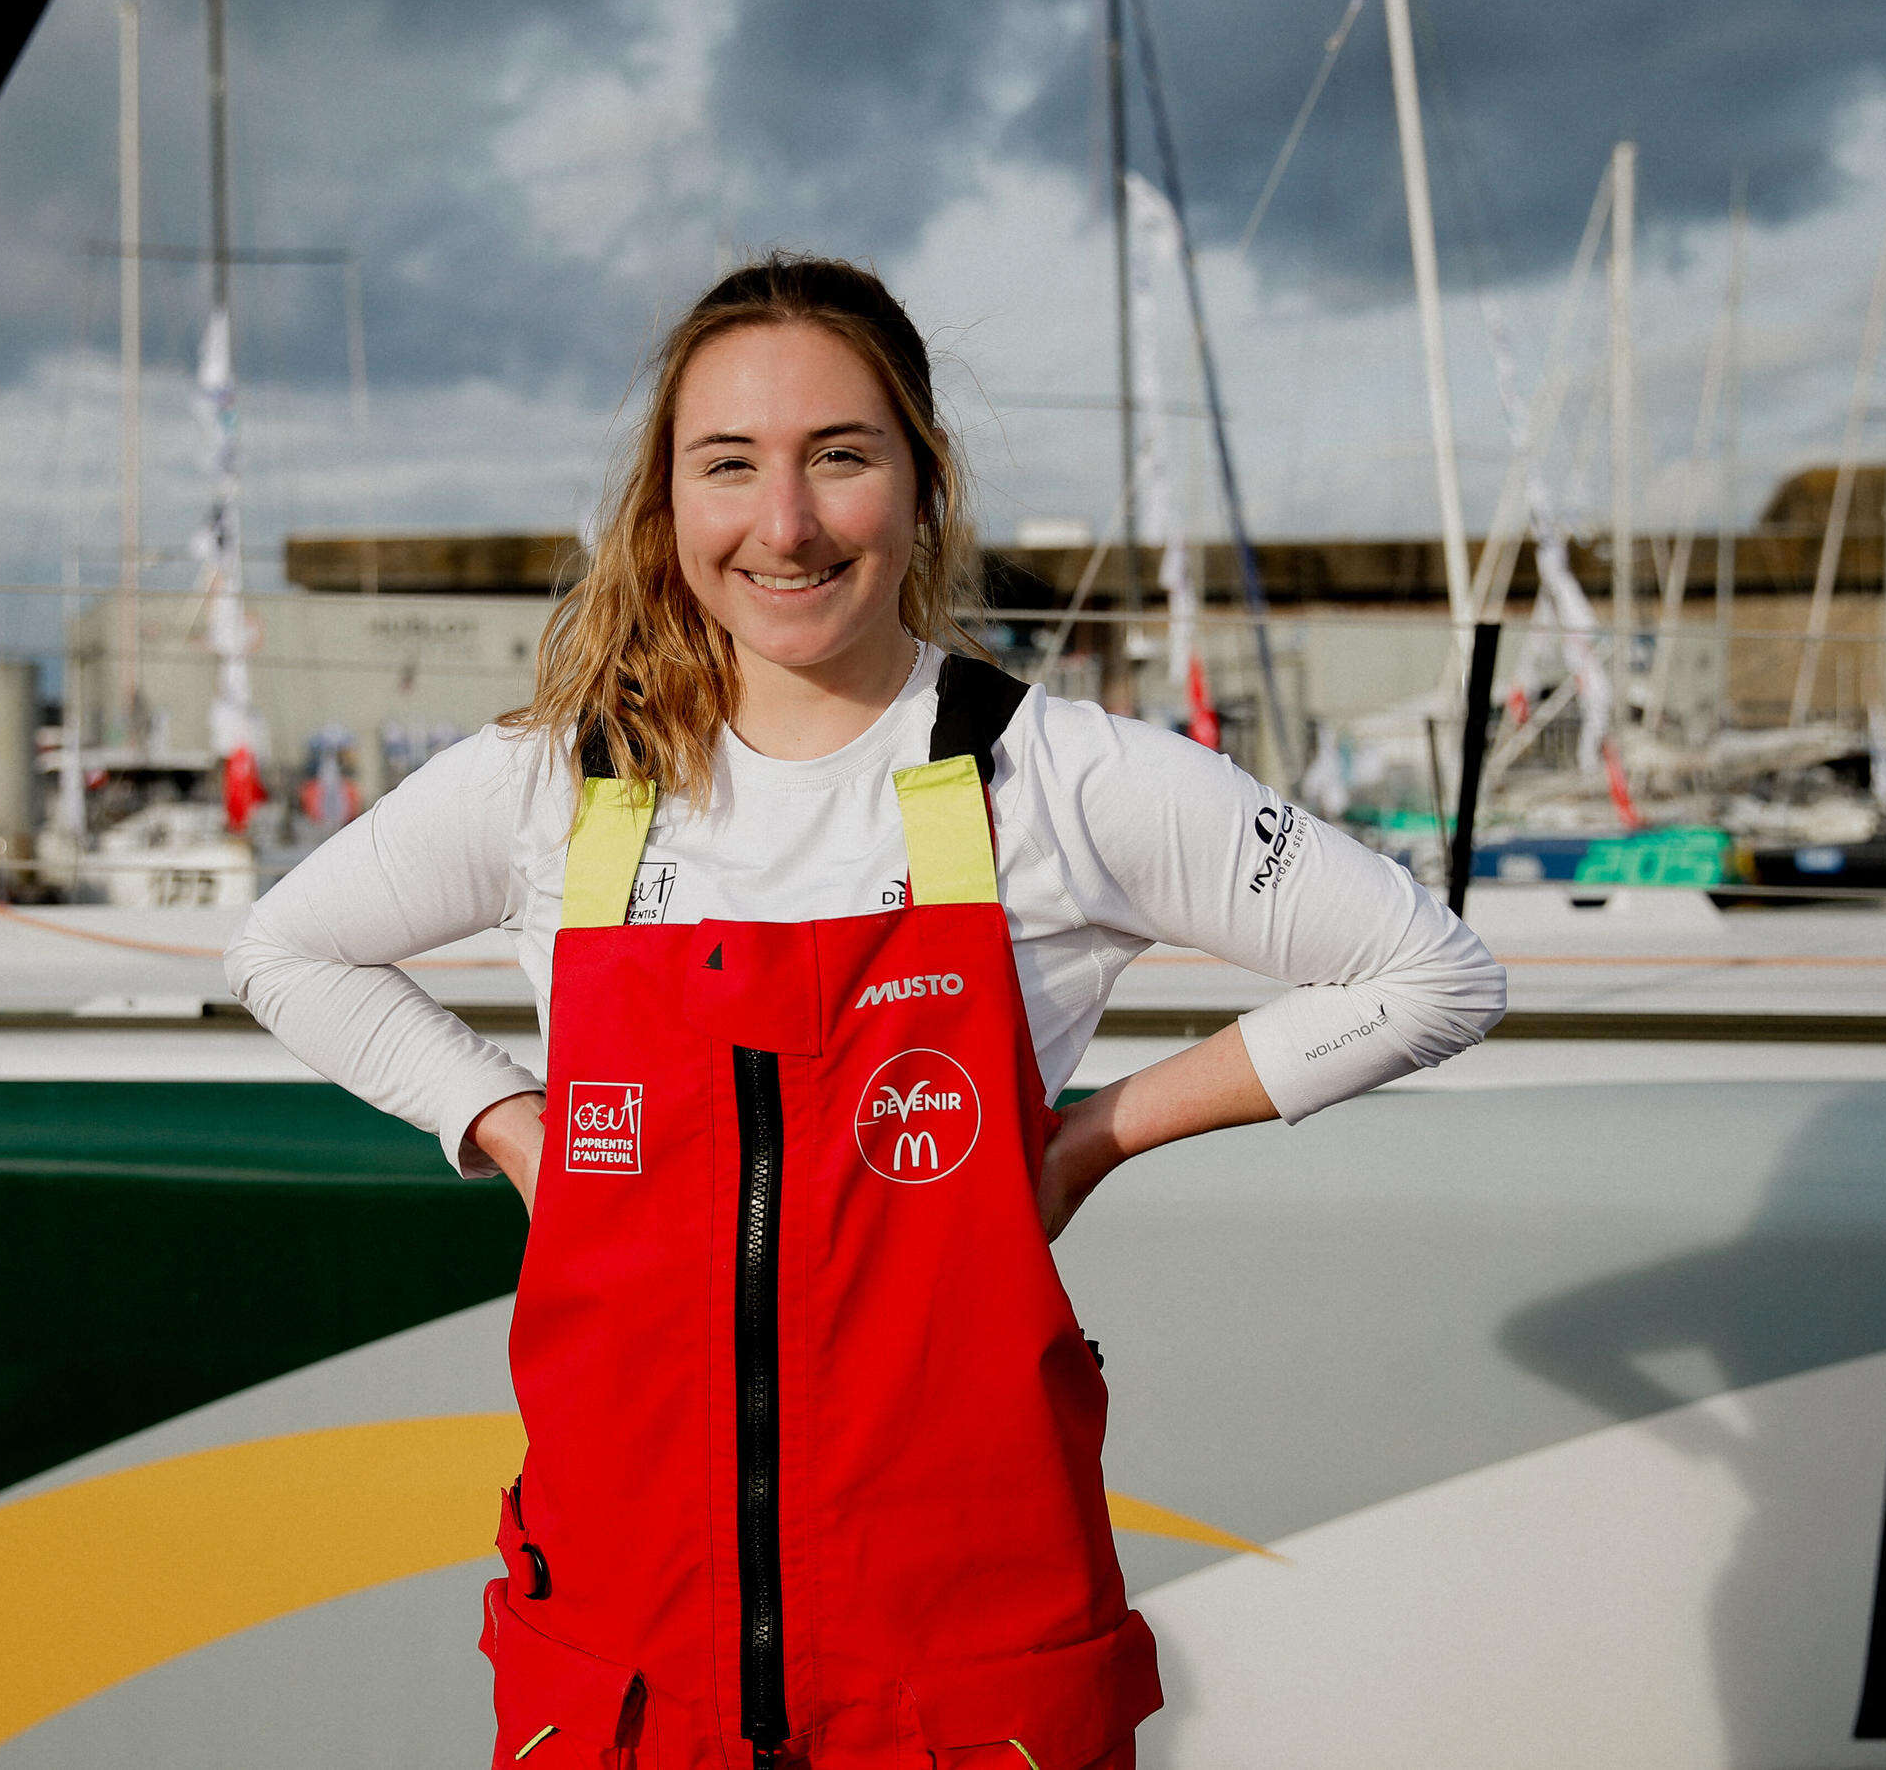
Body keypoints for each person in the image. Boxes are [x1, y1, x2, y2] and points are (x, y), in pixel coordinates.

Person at [226, 253, 1505, 1770]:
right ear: (666, 504)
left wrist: (1092, 1140)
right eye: (730, 466)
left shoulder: (1055, 775)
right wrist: (514, 1129)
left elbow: (1433, 973)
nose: (786, 524)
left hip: (963, 1688)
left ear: (919, 481)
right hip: (625, 1678)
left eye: (840, 456)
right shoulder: (556, 782)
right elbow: (284, 950)